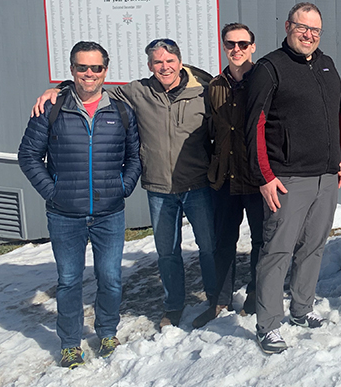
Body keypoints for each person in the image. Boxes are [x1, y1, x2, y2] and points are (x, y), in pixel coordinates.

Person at [33, 39, 217, 329]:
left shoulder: (203, 92)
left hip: (198, 185)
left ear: (180, 62)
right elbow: (92, 89)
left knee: (208, 247)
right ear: (149, 66)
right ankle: (174, 305)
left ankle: (215, 299)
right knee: (167, 253)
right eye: (157, 62)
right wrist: (59, 89)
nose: (164, 67)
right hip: (159, 189)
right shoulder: (137, 91)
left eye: (169, 61)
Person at [19, 41, 141, 368]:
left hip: (109, 213)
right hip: (64, 215)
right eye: (82, 67)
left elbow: (134, 157)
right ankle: (71, 343)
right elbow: (28, 156)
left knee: (111, 278)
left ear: (106, 70)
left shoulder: (120, 111)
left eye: (96, 68)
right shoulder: (51, 108)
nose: (89, 74)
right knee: (69, 281)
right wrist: (53, 191)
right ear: (72, 69)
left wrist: (122, 187)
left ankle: (106, 331)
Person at [245, 2, 341, 354]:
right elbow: (254, 125)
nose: (309, 35)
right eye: (303, 28)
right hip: (287, 179)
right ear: (288, 26)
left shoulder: (326, 64)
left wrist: (340, 159)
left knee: (314, 247)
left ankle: (302, 309)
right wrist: (265, 176)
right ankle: (268, 324)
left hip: (325, 176)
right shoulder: (269, 68)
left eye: (315, 30)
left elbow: (337, 114)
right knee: (278, 250)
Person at [192, 23, 265, 328]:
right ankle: (219, 299)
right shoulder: (214, 86)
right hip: (224, 176)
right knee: (223, 241)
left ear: (253, 47)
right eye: (231, 44)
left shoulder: (263, 81)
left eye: (243, 44)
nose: (237, 49)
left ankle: (255, 294)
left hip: (255, 175)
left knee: (261, 239)